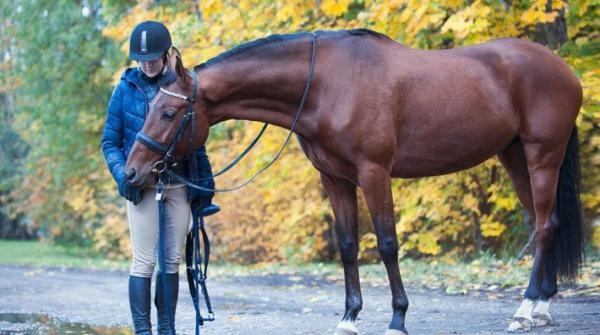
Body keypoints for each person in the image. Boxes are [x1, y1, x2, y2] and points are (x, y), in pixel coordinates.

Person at [101, 21, 215, 335]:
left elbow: (196, 135)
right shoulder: (126, 87)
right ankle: (142, 331)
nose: (147, 62)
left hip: (179, 184)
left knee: (172, 259)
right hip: (142, 186)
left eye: (153, 56)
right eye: (141, 57)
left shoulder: (184, 83)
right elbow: (110, 141)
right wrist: (123, 174)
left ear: (166, 54)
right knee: (143, 261)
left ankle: (167, 329)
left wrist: (204, 186)